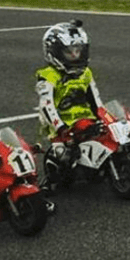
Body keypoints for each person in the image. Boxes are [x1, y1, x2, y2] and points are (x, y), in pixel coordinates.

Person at [35, 20, 105, 188]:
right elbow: (46, 105)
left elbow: (96, 100)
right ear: (55, 52)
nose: (75, 56)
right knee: (67, 154)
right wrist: (60, 128)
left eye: (78, 51)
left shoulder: (85, 73)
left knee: (104, 135)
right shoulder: (48, 75)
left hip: (83, 118)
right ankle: (50, 181)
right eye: (69, 52)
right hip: (62, 122)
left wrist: (106, 118)